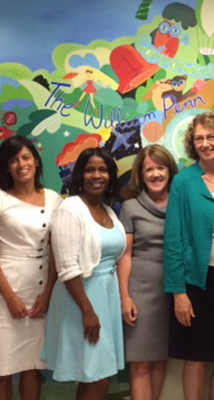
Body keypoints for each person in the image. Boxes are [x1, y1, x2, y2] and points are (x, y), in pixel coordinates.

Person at [163, 112, 214, 400]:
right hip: (196, 283)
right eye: (199, 138)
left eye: (211, 136)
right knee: (195, 357)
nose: (206, 143)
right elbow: (174, 239)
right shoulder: (184, 181)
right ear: (191, 144)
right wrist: (178, 293)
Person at [0, 136, 62, 400]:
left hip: (39, 292)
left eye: (26, 157)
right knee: (1, 369)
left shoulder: (53, 199)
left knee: (32, 367)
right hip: (3, 293)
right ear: (5, 167)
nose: (21, 164)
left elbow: (56, 251)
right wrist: (10, 297)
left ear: (36, 161)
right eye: (13, 160)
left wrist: (47, 294)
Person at [43, 147, 127, 400]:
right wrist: (88, 310)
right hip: (81, 301)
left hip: (105, 298)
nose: (97, 175)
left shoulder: (108, 210)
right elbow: (66, 266)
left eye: (102, 170)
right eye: (90, 170)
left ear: (111, 175)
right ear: (80, 175)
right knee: (96, 377)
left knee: (100, 375)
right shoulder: (71, 208)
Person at [117, 144, 179, 400]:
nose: (155, 174)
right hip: (139, 293)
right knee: (141, 363)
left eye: (160, 168)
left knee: (161, 361)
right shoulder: (131, 207)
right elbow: (125, 255)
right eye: (148, 169)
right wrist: (125, 297)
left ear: (170, 171)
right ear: (140, 175)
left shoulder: (181, 202)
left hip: (173, 293)